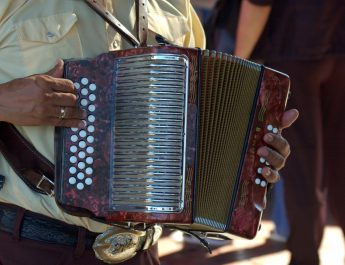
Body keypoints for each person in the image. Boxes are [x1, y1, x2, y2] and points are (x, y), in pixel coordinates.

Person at [0, 1, 298, 264]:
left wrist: (251, 156)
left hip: (142, 251)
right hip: (29, 247)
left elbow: (203, 124)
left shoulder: (174, 6)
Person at [234, 1, 345, 265]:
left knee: (303, 171)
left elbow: (257, 3)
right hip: (336, 49)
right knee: (340, 163)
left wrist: (238, 65)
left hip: (295, 49)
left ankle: (305, 257)